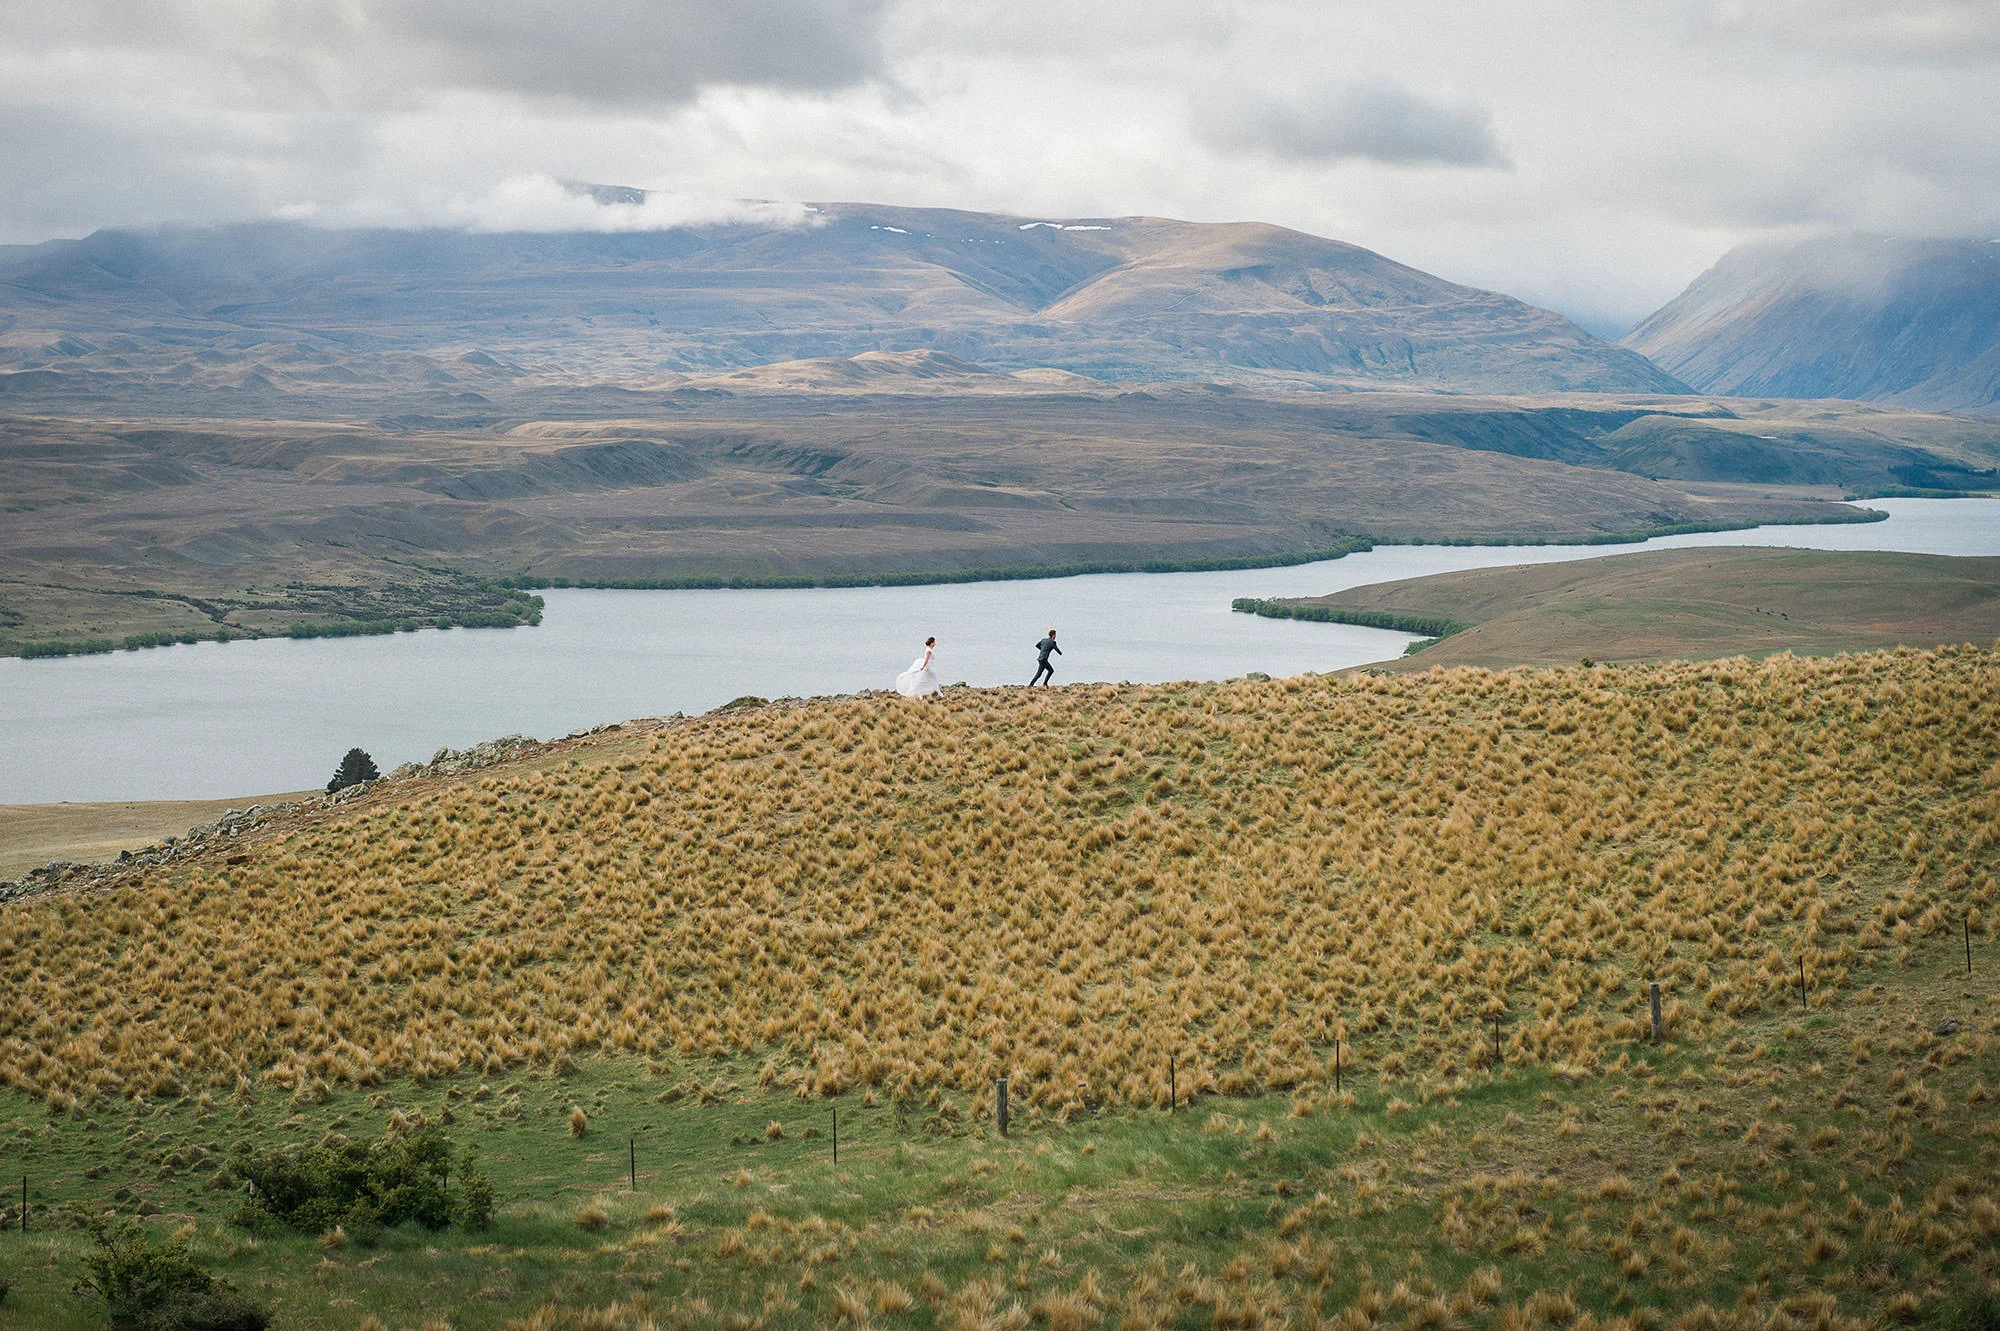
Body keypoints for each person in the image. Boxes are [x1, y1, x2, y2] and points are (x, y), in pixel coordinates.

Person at [896, 636, 943, 701]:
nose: (935, 643)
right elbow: (926, 659)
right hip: (929, 667)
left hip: (930, 667)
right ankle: (938, 694)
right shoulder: (929, 650)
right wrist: (923, 666)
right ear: (932, 643)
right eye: (934, 642)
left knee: (927, 680)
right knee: (933, 679)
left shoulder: (928, 649)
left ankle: (927, 693)